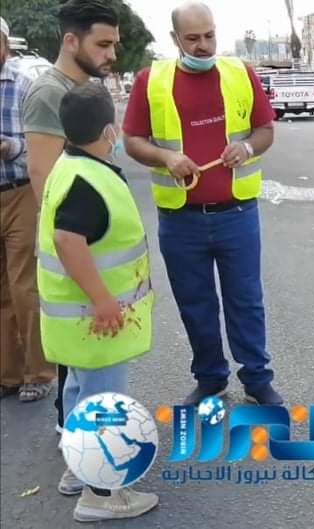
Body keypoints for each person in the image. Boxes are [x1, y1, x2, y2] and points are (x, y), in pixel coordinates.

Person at [123, 2, 281, 406]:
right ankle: (210, 379)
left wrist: (246, 148)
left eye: (209, 35)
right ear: (175, 39)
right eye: (192, 38)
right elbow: (133, 141)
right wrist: (166, 157)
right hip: (180, 219)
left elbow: (265, 129)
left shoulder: (240, 73)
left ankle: (257, 379)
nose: (203, 45)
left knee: (246, 301)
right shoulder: (151, 80)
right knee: (195, 304)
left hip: (237, 214)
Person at [39, 81, 159, 522]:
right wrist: (104, 300)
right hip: (97, 320)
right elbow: (67, 240)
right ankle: (101, 494)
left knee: (80, 392)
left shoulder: (69, 164)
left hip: (75, 321)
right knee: (103, 403)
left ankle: (78, 469)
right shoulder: (88, 181)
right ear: (110, 131)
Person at [21, 0, 119, 493]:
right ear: (71, 40)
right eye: (103, 44)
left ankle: (83, 460)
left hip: (87, 247)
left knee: (84, 360)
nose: (111, 54)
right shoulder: (49, 94)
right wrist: (79, 263)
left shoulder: (83, 90)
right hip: (74, 252)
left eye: (114, 44)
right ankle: (85, 464)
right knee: (80, 363)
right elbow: (46, 182)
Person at [1, 17, 57, 403]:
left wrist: (10, 147)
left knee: (23, 286)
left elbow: (40, 143)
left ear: (5, 44)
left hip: (19, 192)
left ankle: (38, 373)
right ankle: (7, 374)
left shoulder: (23, 84)